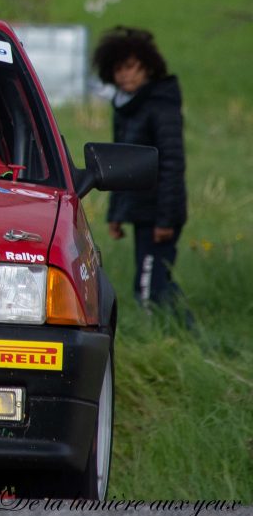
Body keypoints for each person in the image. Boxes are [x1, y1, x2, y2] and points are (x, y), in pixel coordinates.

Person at [92, 26, 190, 319]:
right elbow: (120, 164)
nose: (125, 75)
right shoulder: (125, 108)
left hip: (160, 215)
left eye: (132, 68)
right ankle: (187, 334)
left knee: (148, 289)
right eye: (119, 69)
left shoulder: (161, 107)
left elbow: (172, 164)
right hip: (140, 210)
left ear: (147, 68)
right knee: (158, 283)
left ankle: (166, 338)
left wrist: (165, 219)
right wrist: (116, 214)